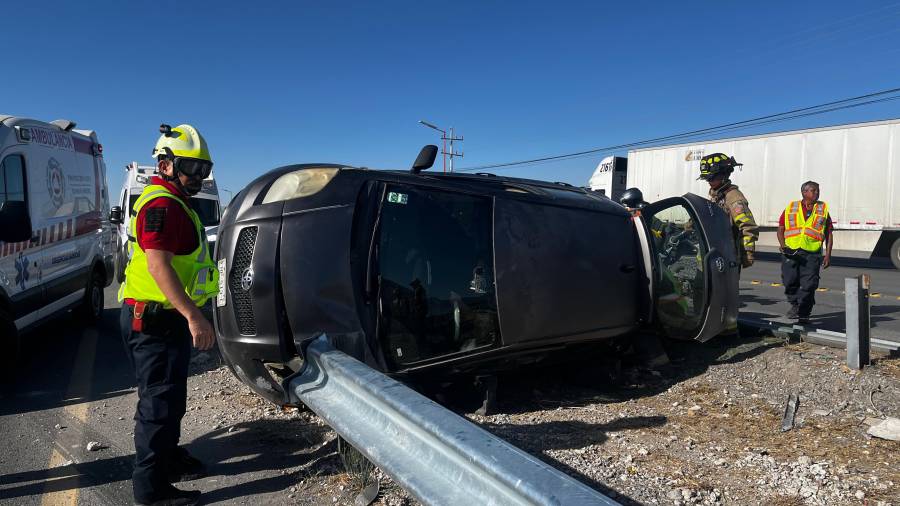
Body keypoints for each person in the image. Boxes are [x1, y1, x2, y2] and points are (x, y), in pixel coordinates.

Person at [119, 124, 218, 506]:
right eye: (191, 168)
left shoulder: (177, 202)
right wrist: (195, 317)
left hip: (164, 317)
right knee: (158, 406)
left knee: (170, 398)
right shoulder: (162, 205)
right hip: (153, 320)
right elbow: (159, 266)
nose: (199, 177)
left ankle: (169, 459)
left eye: (204, 169)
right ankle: (151, 490)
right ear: (165, 165)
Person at [777, 181, 832, 324]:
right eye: (813, 190)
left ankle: (804, 313)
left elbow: (828, 233)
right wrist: (783, 246)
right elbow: (781, 228)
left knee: (809, 285)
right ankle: (795, 304)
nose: (817, 193)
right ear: (804, 192)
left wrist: (827, 255)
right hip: (791, 252)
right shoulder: (791, 207)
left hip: (812, 253)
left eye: (818, 190)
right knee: (789, 281)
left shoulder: (822, 209)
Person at [698, 153, 759, 269]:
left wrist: (747, 253)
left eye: (712, 178)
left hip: (727, 258)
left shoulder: (733, 197)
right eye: (707, 179)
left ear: (724, 175)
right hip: (714, 254)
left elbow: (748, 226)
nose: (709, 181)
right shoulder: (716, 196)